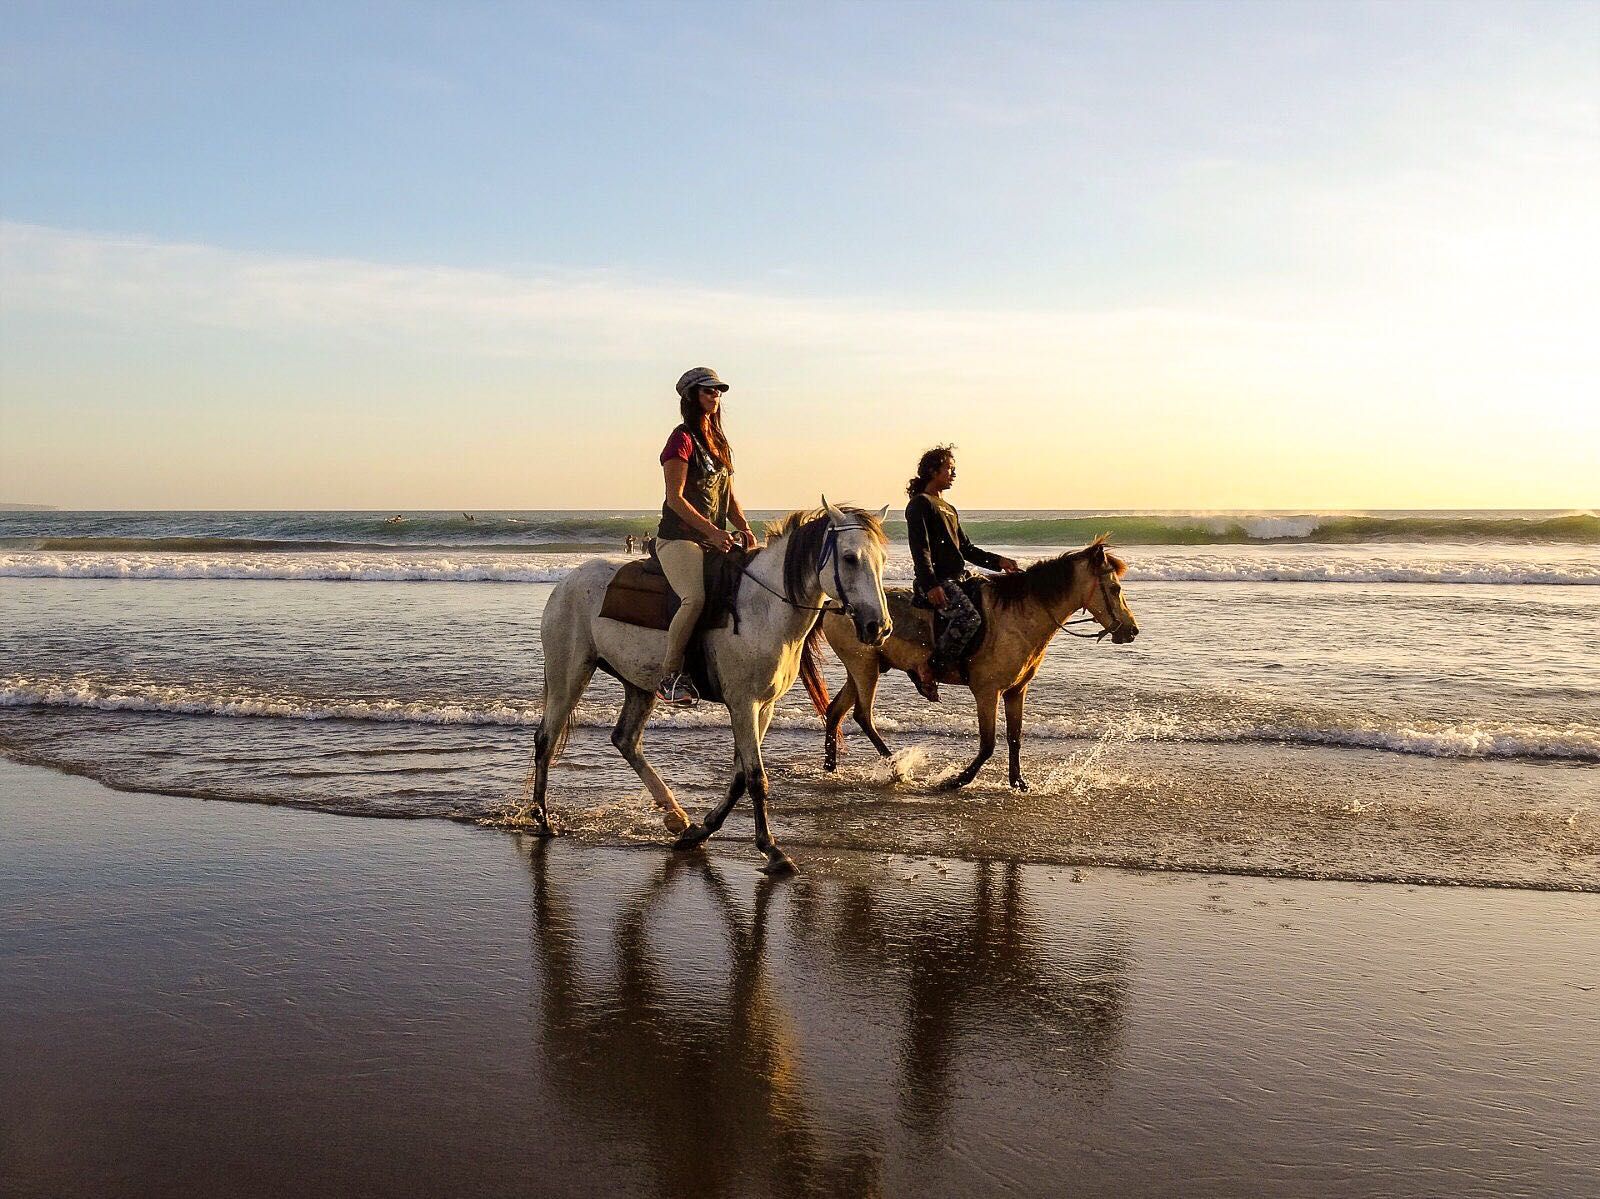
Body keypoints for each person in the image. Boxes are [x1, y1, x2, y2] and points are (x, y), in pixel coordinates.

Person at [654, 367, 758, 705]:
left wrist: (742, 525)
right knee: (694, 599)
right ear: (691, 397)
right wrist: (713, 531)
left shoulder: (720, 442)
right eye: (708, 391)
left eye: (718, 391)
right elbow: (675, 498)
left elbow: (727, 496)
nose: (716, 396)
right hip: (679, 539)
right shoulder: (680, 439)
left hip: (713, 538)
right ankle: (670, 676)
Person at [904, 445, 1019, 701]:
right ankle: (931, 667)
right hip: (937, 581)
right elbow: (919, 549)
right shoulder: (920, 505)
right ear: (933, 471)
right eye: (949, 469)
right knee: (969, 618)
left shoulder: (948, 508)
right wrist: (930, 584)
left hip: (959, 577)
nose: (953, 474)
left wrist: (1000, 561)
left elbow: (965, 548)